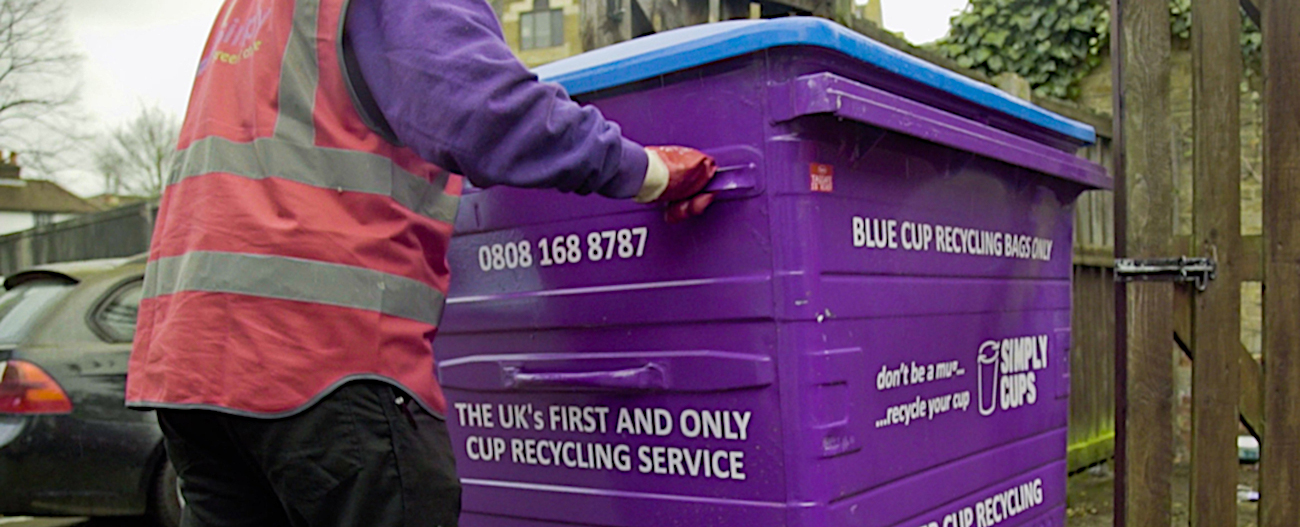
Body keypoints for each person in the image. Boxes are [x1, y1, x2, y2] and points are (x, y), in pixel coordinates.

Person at [123, 0, 717, 525]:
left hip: (190, 362)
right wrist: (647, 171)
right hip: (320, 357)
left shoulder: (252, 11)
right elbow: (485, 113)